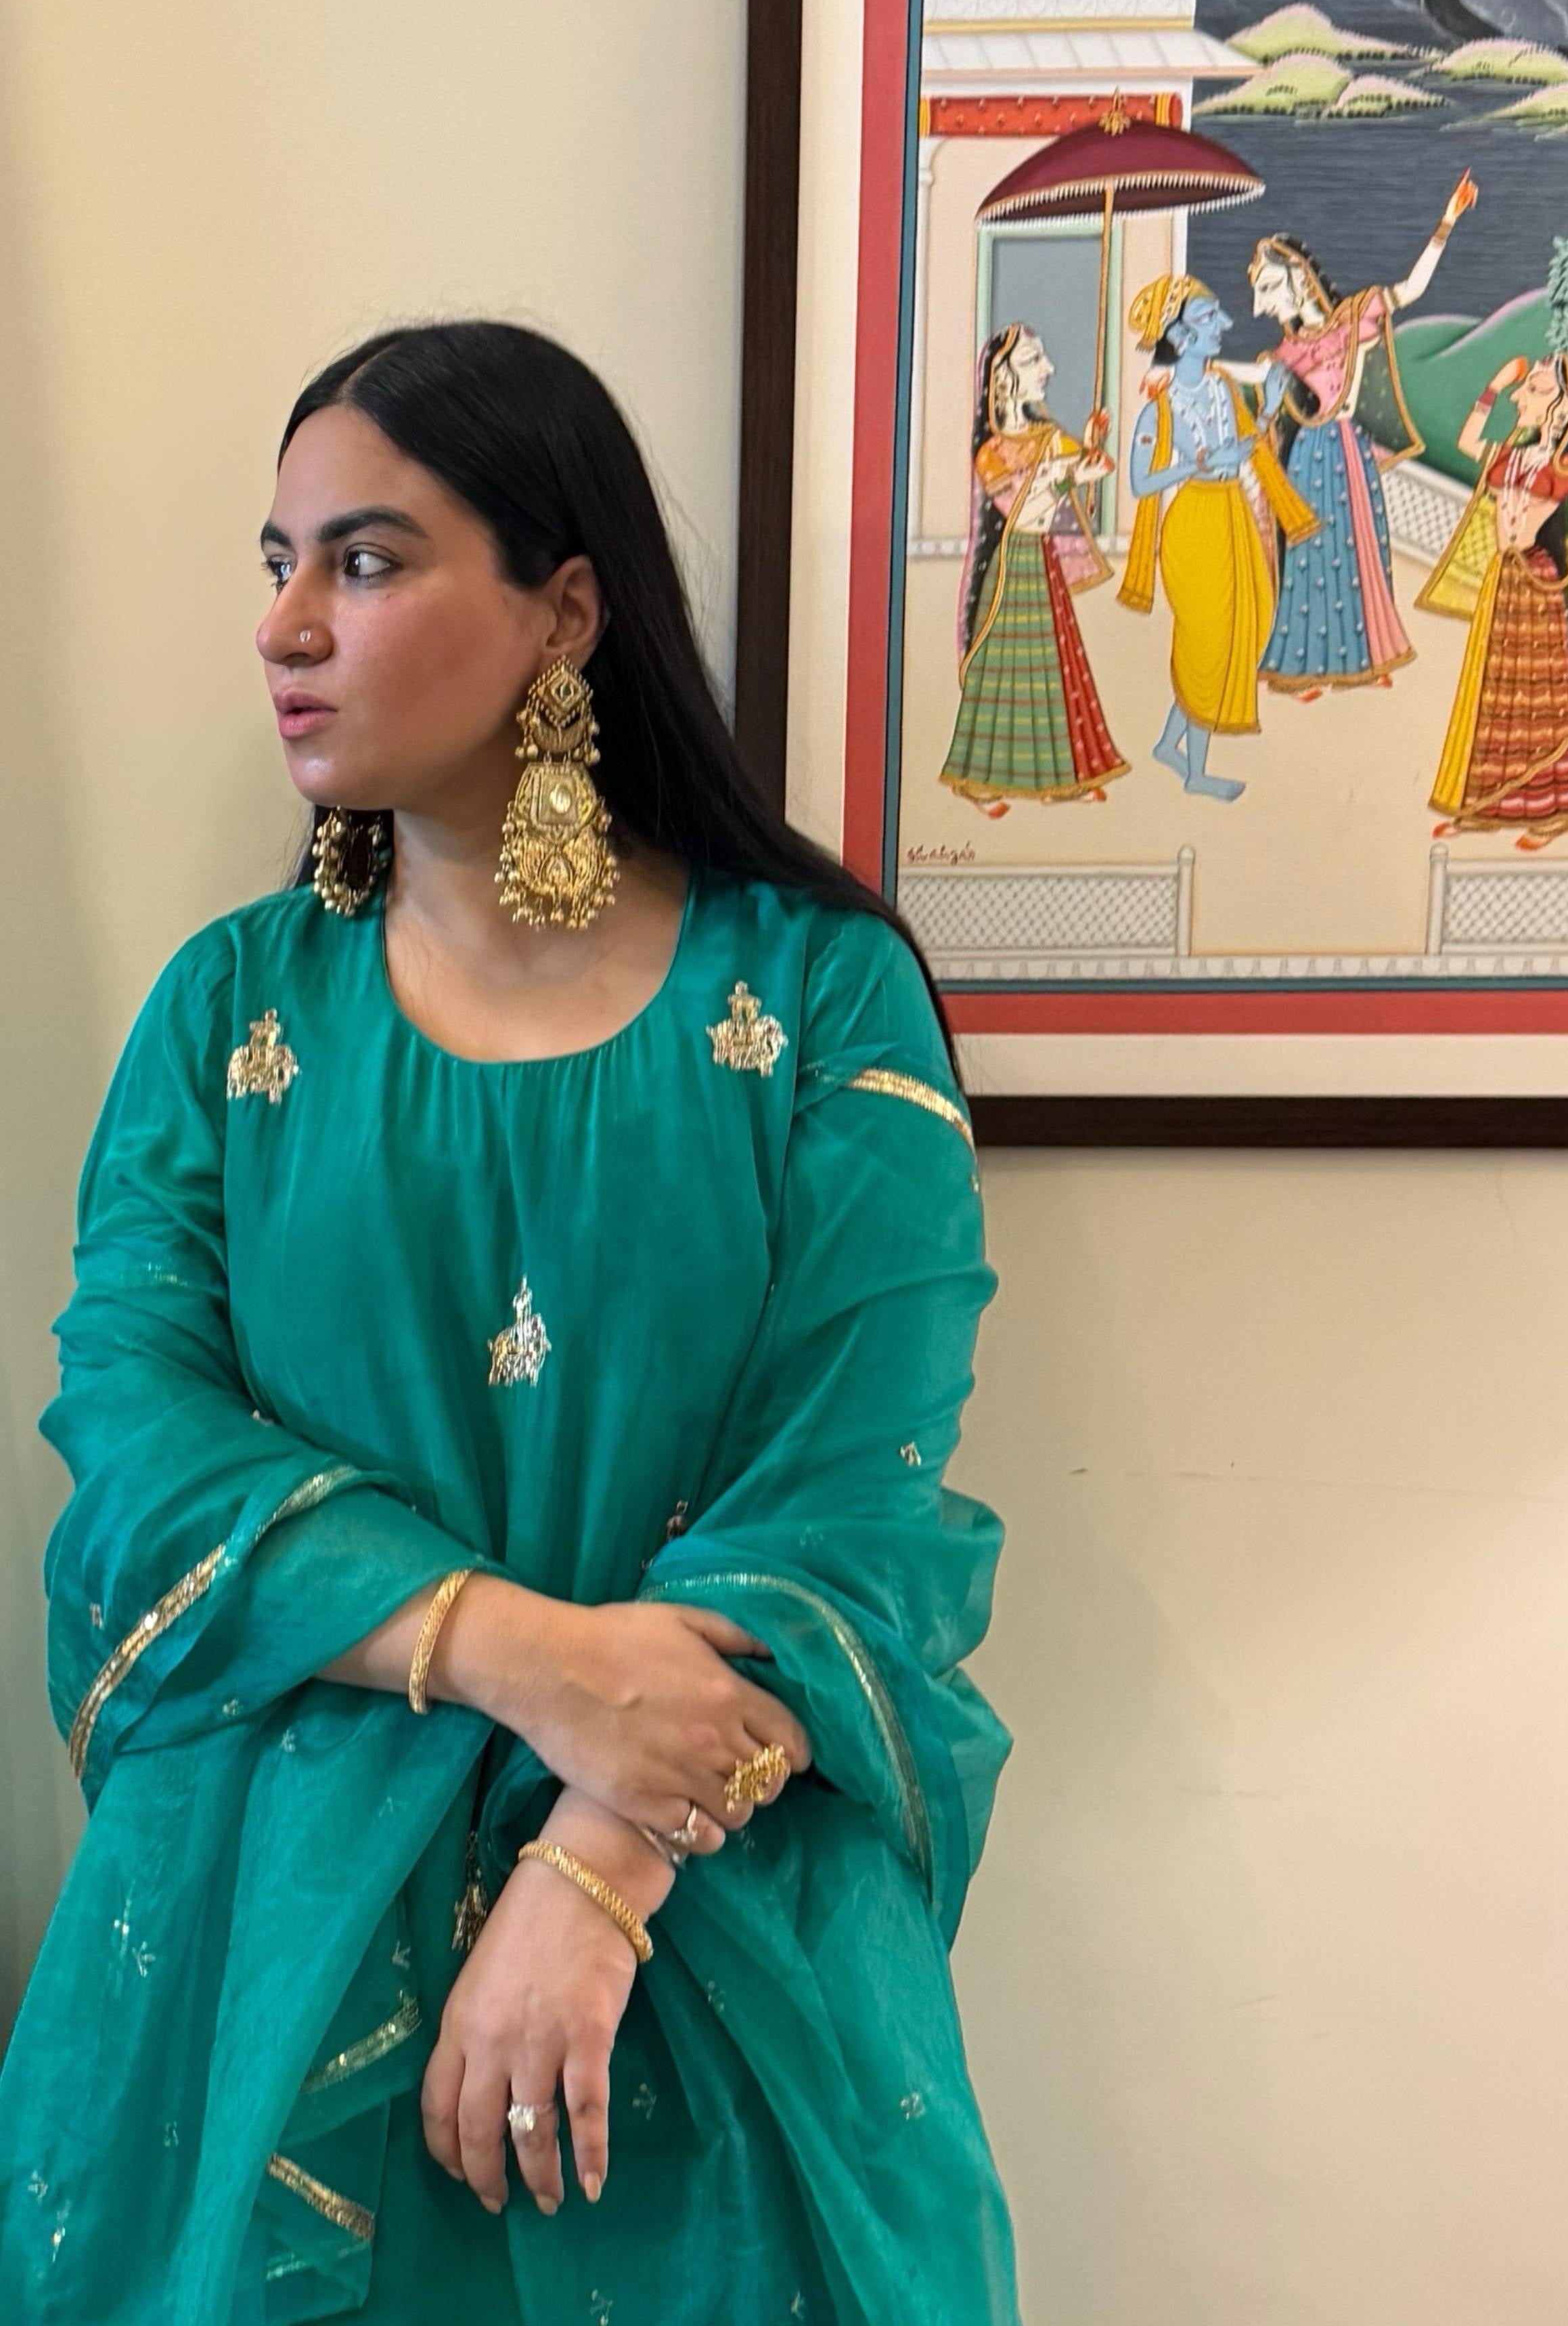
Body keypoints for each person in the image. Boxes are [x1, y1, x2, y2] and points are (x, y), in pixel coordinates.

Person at [0, 323, 1019, 2325]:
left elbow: (861, 1494)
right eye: (276, 563)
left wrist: (596, 1866)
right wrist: (530, 1660)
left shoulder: (819, 999)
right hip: (260, 1957)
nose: (286, 627)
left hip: (713, 1941)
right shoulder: (229, 1019)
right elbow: (135, 1447)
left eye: (365, 562)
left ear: (565, 611)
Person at [1242, 176, 1476, 703]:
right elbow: (1263, 388)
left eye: (1268, 288)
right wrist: (1209, 370)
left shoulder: (1354, 317)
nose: (1260, 306)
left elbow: (1410, 291)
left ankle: (1364, 656)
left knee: (1359, 552)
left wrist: (1446, 223)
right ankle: (1305, 665)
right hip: (1308, 458)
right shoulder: (1283, 356)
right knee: (1312, 558)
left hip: (1349, 450)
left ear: (1300, 280)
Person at [1418, 349, 1568, 850]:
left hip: (1537, 583)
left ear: (1564, 409)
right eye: (1526, 389)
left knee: (1544, 703)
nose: (1522, 398)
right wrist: (1495, 385)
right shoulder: (1511, 454)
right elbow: (1467, 440)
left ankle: (1556, 811)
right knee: (1496, 700)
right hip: (1505, 579)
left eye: (1536, 389)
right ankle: (1485, 805)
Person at [1117, 273, 1319, 802]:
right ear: (1178, 336)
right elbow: (1141, 481)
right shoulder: (1159, 408)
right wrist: (1196, 463)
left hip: (1232, 513)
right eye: (1208, 319)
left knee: (1239, 634)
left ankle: (1169, 743)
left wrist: (1269, 406)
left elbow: (1247, 445)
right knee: (1205, 643)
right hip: (1194, 525)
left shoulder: (1223, 387)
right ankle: (1195, 773)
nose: (1223, 326)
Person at [940, 321, 1127, 817]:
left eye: (1042, 358)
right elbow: (1022, 512)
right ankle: (979, 783)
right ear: (1002, 380)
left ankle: (1061, 778)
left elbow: (1087, 468)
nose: (1048, 369)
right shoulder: (992, 452)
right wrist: (1066, 476)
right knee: (1003, 679)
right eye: (1032, 361)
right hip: (1011, 572)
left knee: (1053, 672)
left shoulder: (1048, 436)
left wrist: (1090, 448)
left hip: (1043, 567)